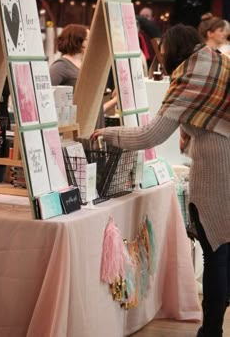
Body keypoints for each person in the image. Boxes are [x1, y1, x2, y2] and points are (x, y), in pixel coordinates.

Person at [91, 23, 230, 337]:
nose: (162, 58)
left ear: (175, 52)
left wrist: (108, 134)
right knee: (225, 249)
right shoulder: (219, 61)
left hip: (215, 171)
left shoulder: (190, 74)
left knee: (216, 249)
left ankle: (211, 331)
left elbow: (150, 135)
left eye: (164, 52)